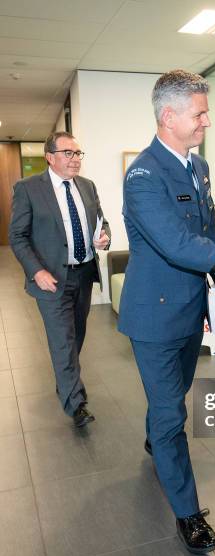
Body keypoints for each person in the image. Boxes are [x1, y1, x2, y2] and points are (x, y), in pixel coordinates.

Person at [118, 69, 215, 554]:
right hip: (155, 316)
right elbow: (178, 244)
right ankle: (187, 514)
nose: (207, 120)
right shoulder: (143, 175)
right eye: (199, 113)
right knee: (171, 417)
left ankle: (154, 438)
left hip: (190, 307)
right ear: (169, 116)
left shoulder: (197, 167)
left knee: (174, 393)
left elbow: (207, 224)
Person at [9, 131, 111, 427]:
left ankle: (65, 381)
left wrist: (104, 237)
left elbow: (101, 222)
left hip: (83, 274)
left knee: (75, 336)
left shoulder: (88, 187)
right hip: (51, 278)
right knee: (62, 341)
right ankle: (75, 403)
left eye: (78, 153)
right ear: (50, 157)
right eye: (68, 153)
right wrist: (36, 270)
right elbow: (17, 235)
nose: (75, 159)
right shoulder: (28, 188)